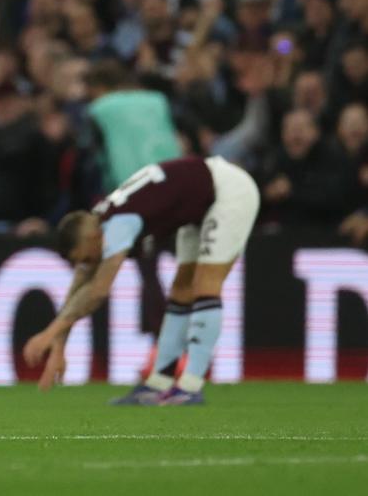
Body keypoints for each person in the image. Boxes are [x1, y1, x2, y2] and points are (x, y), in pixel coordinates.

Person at [23, 155, 260, 405]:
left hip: (228, 192)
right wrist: (59, 344)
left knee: (205, 284)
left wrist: (49, 333)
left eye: (85, 258)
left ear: (93, 238)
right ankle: (160, 383)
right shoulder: (97, 223)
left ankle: (191, 386)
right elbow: (79, 286)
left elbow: (97, 291)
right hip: (199, 201)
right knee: (181, 289)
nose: (88, 265)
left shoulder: (118, 224)